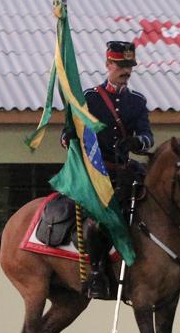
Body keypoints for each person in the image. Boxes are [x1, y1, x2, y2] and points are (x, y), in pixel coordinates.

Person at [61, 40, 153, 299]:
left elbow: (148, 136)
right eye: (121, 65)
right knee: (97, 221)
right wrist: (71, 138)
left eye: (129, 66)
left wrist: (137, 142)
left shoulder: (137, 102)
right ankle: (97, 272)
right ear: (108, 64)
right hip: (95, 173)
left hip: (125, 171)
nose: (126, 71)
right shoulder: (89, 98)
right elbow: (67, 135)